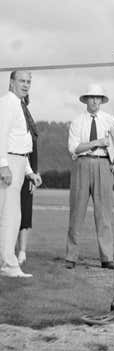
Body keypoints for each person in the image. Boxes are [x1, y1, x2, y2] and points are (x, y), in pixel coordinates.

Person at [65, 84, 114, 270]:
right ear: (86, 100)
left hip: (104, 165)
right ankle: (71, 257)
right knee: (77, 212)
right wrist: (97, 142)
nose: (95, 101)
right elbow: (74, 148)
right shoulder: (77, 121)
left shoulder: (109, 120)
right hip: (82, 164)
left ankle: (107, 258)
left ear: (102, 100)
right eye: (92, 97)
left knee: (104, 213)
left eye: (98, 97)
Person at [0, 70, 42, 278]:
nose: (26, 85)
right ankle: (8, 264)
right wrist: (3, 165)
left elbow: (21, 142)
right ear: (11, 82)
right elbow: (1, 134)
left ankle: (8, 262)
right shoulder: (8, 102)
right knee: (8, 215)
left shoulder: (20, 105)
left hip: (17, 160)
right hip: (8, 160)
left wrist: (29, 172)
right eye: (22, 81)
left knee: (13, 214)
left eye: (28, 82)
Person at [16, 93, 39, 267]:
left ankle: (22, 252)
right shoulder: (11, 121)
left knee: (25, 212)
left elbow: (33, 154)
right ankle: (8, 251)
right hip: (12, 169)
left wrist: (33, 175)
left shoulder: (31, 126)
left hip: (28, 173)